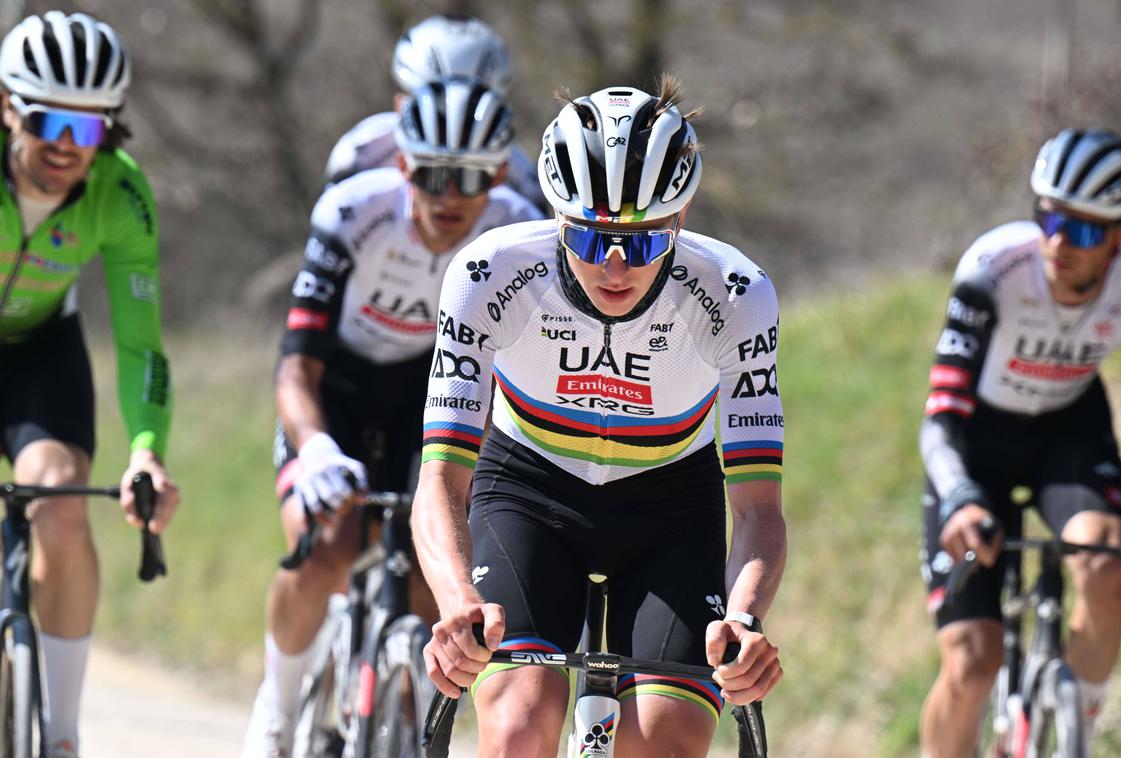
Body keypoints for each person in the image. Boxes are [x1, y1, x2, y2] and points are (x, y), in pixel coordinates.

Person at [413, 79, 786, 757]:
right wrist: (455, 599)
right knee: (517, 732)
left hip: (671, 509)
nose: (615, 265)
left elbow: (759, 509)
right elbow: (440, 482)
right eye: (590, 236)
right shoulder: (487, 276)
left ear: (681, 216)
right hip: (528, 493)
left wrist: (744, 621)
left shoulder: (735, 296)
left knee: (666, 743)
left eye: (643, 242)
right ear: (556, 212)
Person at [241, 77, 541, 757]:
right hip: (338, 390)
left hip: (431, 400)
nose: (449, 195)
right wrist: (313, 445)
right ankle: (279, 707)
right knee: (326, 546)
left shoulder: (516, 233)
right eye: (432, 172)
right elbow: (296, 364)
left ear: (496, 174)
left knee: (433, 575)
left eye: (469, 177)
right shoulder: (353, 213)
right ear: (402, 164)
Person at [918, 127, 1121, 757]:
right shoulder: (994, 269)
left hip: (1068, 431)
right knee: (970, 662)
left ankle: (1076, 732)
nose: (1059, 241)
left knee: (1104, 565)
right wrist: (961, 496)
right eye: (1048, 217)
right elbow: (940, 419)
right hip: (976, 440)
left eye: (1086, 230)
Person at [0, 11, 180, 758]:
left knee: (62, 510)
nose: (67, 149)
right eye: (48, 122)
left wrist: (146, 452)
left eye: (90, 128)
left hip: (41, 350)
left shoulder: (122, 193)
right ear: (8, 106)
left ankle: (63, 735)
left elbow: (142, 347)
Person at [323, 14, 545, 211]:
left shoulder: (359, 154)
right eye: (434, 109)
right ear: (400, 103)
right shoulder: (359, 154)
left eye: (469, 111)